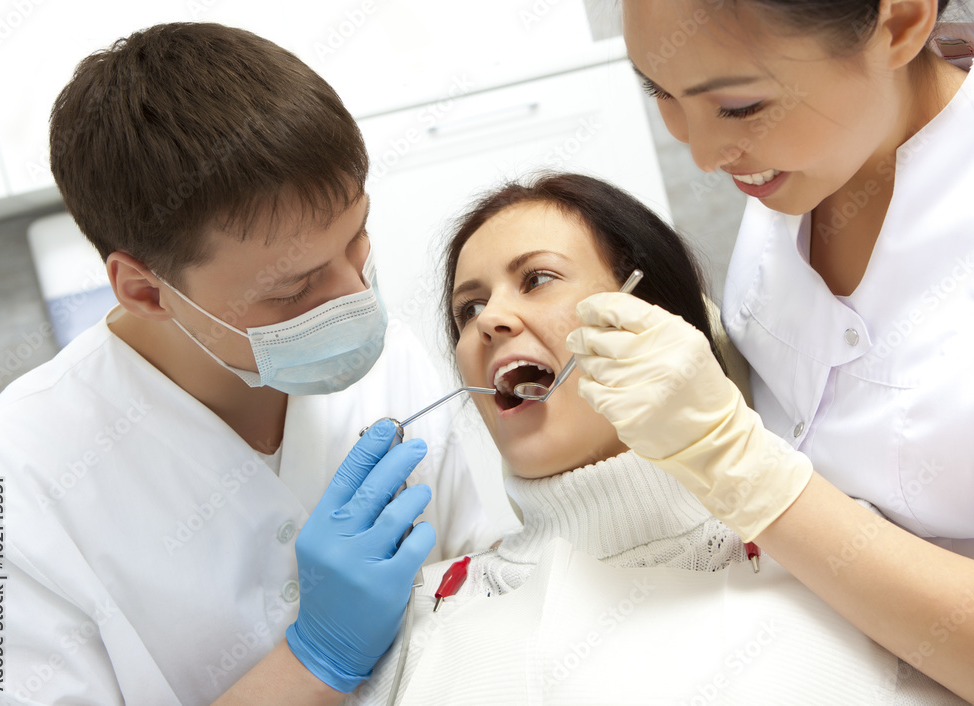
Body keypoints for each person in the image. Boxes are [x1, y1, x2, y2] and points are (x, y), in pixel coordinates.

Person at [0, 23, 503, 705]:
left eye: (357, 237)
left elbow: (483, 599)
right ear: (144, 290)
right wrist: (315, 660)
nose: (354, 301)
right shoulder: (6, 489)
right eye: (292, 289)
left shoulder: (390, 361)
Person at [343, 172, 966, 705]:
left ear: (656, 315)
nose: (491, 321)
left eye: (535, 279)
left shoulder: (836, 552)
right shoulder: (423, 613)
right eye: (467, 309)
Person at [566, 1, 974, 701]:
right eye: (660, 92)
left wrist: (742, 467)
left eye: (740, 105)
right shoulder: (795, 176)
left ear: (902, 23)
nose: (702, 154)